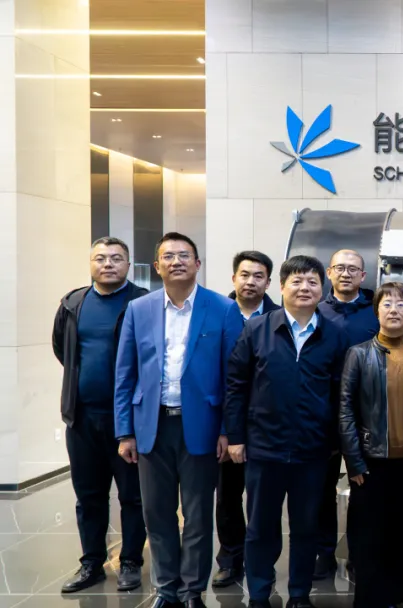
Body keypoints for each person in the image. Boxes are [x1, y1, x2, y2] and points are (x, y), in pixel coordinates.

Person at [114, 232, 233, 608]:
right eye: (168, 256)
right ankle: (166, 589)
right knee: (157, 513)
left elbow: (233, 376)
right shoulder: (139, 309)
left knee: (198, 515)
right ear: (157, 266)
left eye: (184, 255)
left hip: (202, 426)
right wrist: (125, 431)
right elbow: (125, 373)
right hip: (152, 425)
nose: (177, 261)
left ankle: (192, 590)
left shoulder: (222, 308)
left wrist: (227, 429)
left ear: (198, 264)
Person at [224, 255, 349, 608]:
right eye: (296, 281)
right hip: (264, 447)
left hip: (313, 450)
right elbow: (236, 385)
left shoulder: (334, 335)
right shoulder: (257, 330)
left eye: (312, 281)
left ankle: (299, 593)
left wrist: (335, 442)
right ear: (281, 287)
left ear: (322, 288)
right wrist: (236, 437)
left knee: (306, 526)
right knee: (260, 527)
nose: (304, 288)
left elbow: (341, 392)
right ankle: (259, 592)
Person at [53, 237, 148, 594]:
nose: (108, 264)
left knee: (133, 496)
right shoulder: (73, 303)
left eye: (116, 258)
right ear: (91, 263)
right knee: (89, 495)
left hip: (129, 421)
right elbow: (62, 349)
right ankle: (91, 562)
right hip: (82, 418)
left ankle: (130, 561)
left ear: (128, 264)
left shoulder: (143, 302)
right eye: (101, 258)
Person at [339, 282, 403, 608]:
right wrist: (354, 461)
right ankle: (368, 600)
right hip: (370, 461)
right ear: (376, 311)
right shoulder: (358, 354)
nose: (394, 310)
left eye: (401, 304)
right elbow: (346, 410)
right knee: (368, 536)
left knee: (397, 534)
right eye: (387, 304)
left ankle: (394, 597)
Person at [312, 248, 379, 580]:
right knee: (321, 488)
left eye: (353, 269)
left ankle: (359, 553)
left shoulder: (376, 311)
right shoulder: (315, 310)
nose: (346, 274)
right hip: (324, 413)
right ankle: (323, 553)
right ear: (329, 273)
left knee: (363, 488)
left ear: (363, 276)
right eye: (339, 268)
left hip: (367, 415)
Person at [214, 250, 279, 589]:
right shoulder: (218, 315)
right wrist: (226, 429)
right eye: (245, 275)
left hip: (268, 425)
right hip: (228, 423)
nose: (251, 281)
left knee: (263, 500)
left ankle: (260, 561)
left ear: (268, 282)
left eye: (258, 276)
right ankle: (230, 558)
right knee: (227, 496)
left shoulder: (280, 317)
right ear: (233, 278)